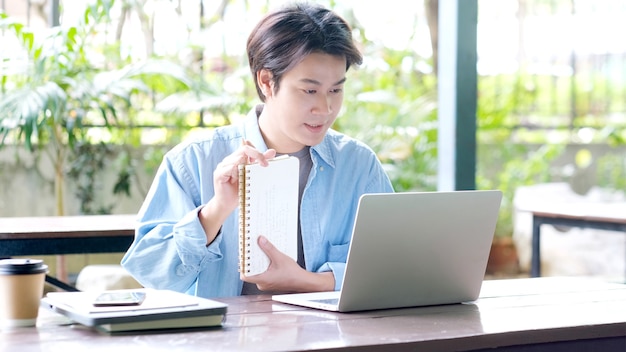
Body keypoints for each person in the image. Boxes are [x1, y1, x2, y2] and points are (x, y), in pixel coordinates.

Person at [121, 2, 394, 298]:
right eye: (310, 90)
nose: (325, 108)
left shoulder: (358, 165)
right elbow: (150, 274)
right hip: (227, 341)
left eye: (336, 90)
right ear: (266, 81)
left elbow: (394, 266)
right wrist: (216, 210)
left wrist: (309, 282)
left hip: (335, 339)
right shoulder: (192, 161)